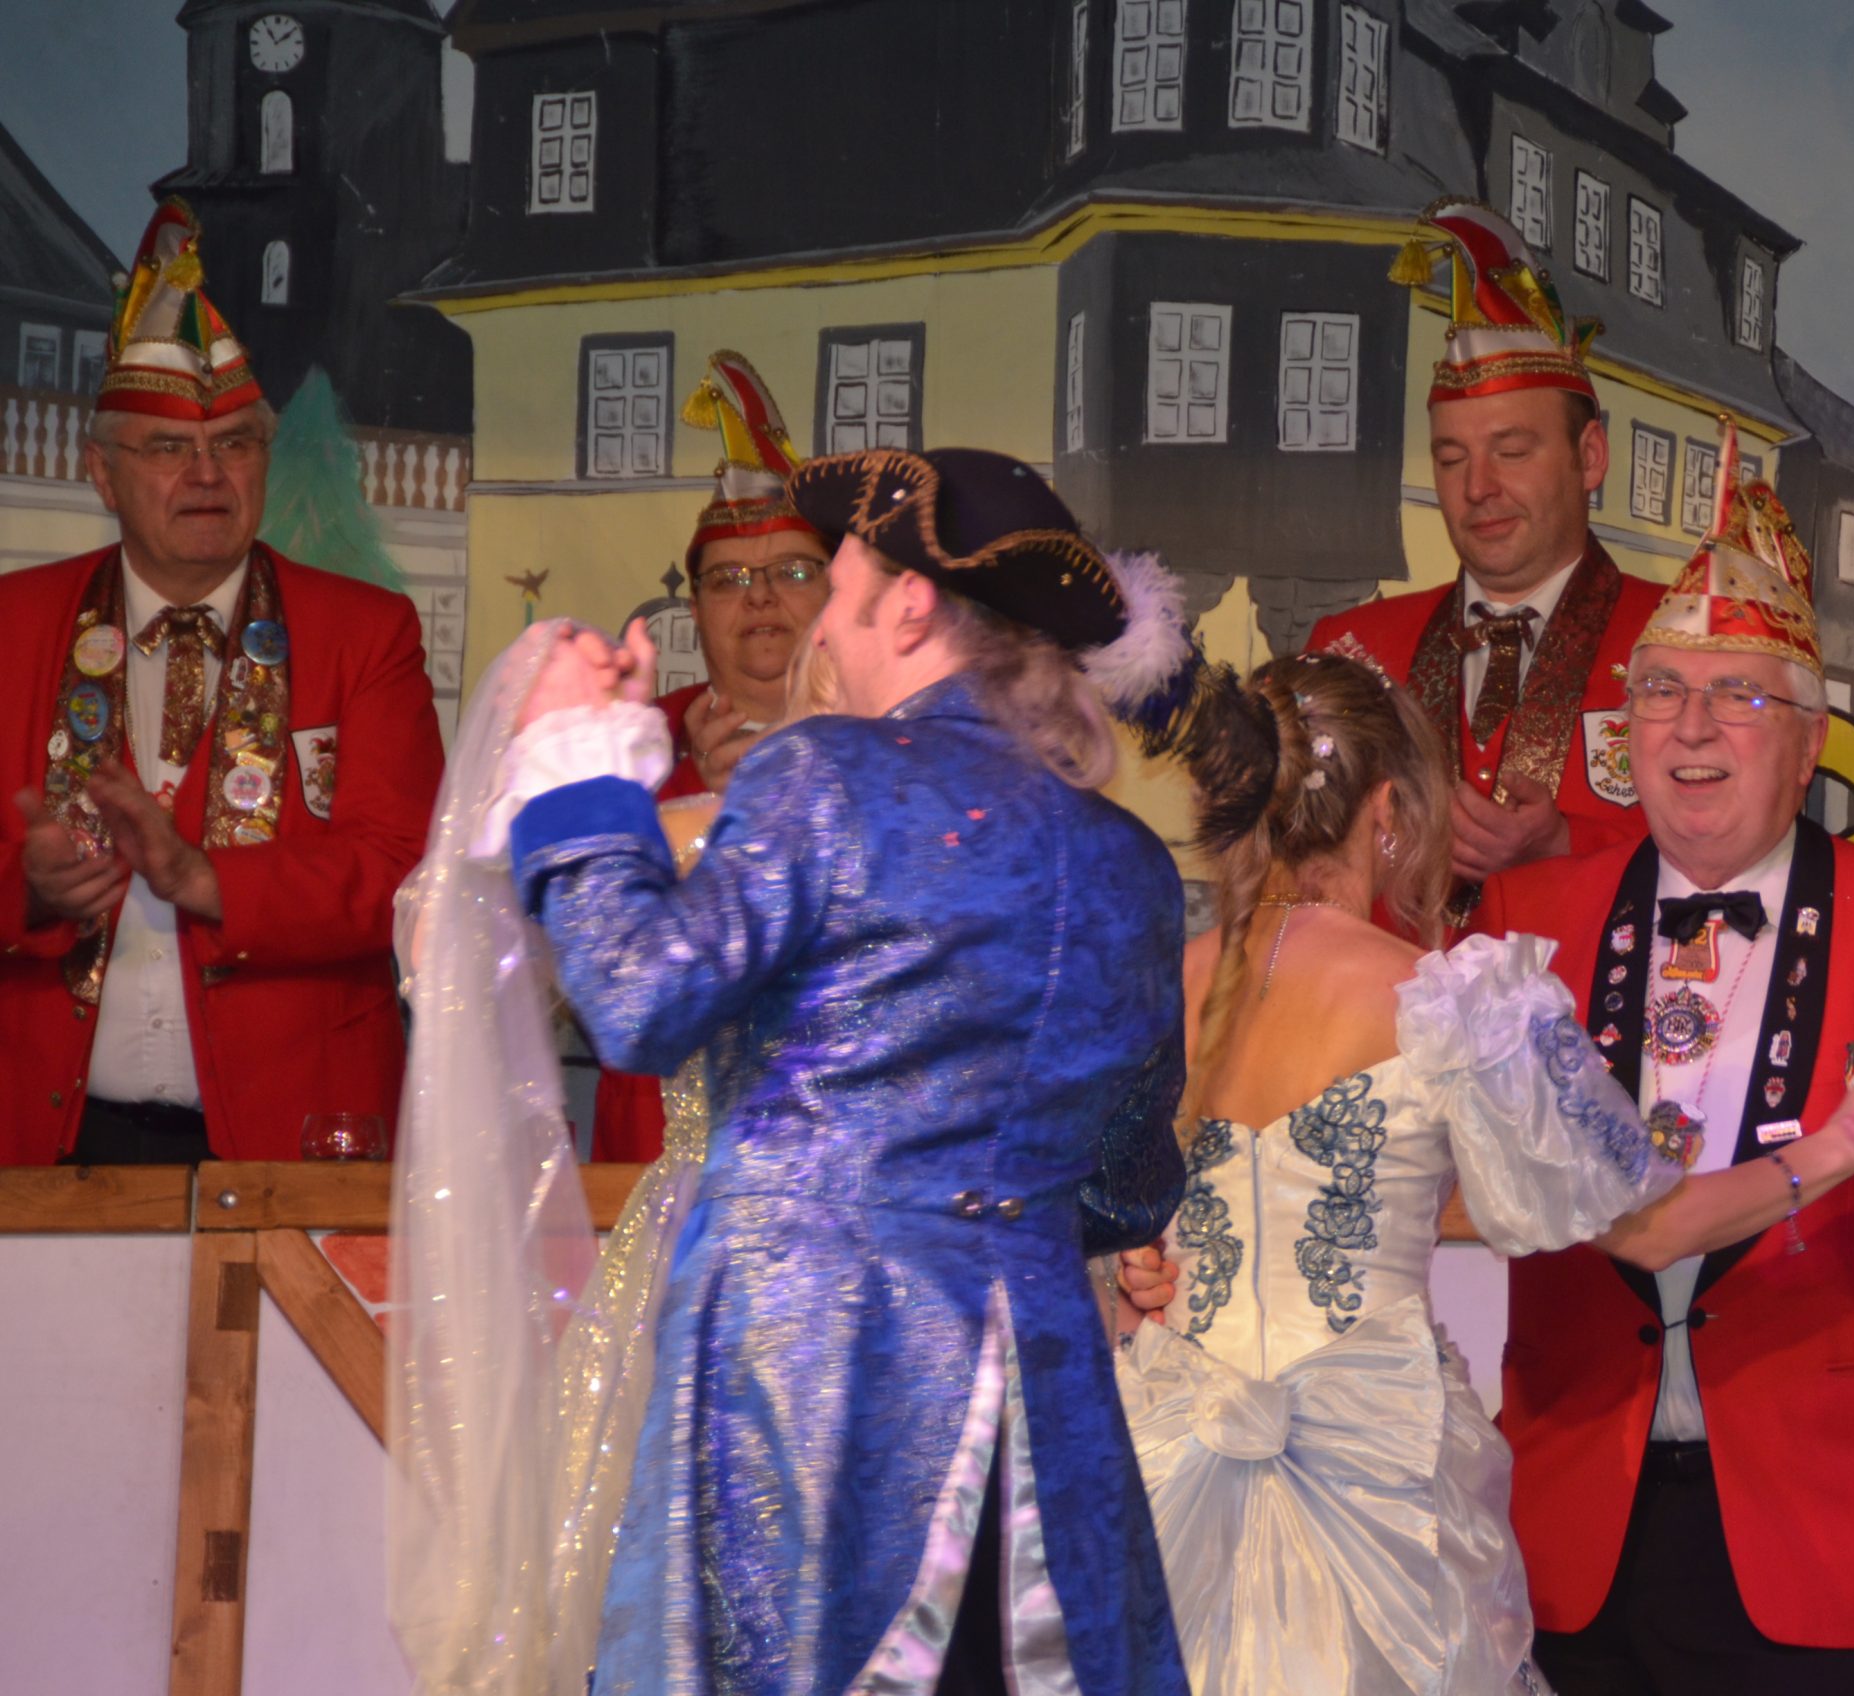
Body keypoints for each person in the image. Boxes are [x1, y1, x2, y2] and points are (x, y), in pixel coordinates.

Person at [420, 446, 1202, 1694]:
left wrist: (577, 764)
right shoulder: (1130, 862)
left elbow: (637, 999)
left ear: (910, 605)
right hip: (1037, 1397)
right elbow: (1128, 1181)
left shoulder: (825, 771)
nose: (820, 628)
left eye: (836, 591)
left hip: (813, 1375)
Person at [1109, 646, 1854, 1695]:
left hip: (1172, 1460)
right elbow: (1647, 1223)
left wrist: (1146, 1266)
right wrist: (1839, 1146)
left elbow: (1111, 1217)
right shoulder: (1453, 997)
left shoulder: (1165, 985)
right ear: (1389, 809)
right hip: (1372, 1482)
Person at [1476, 468, 1854, 1696]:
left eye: (1737, 695)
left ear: (1811, 737)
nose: (1691, 726)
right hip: (1567, 1507)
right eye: (1661, 690)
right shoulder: (1524, 920)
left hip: (1804, 1521)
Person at [0, 198, 441, 1164]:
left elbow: (404, 873)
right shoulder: (12, 626)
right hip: (46, 1141)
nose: (207, 474)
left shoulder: (366, 633)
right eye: (168, 449)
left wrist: (204, 878)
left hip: (295, 1139)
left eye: (235, 444)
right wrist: (27, 892)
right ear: (102, 474)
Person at [1306, 198, 1665, 903]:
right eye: (1450, 459)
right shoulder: (1350, 652)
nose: (1478, 488)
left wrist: (1565, 847)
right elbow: (1295, 879)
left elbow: (1751, 863)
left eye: (1512, 451)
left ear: (1591, 457)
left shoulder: (1688, 647)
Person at [588, 348, 830, 1163]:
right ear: (693, 610)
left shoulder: (896, 748)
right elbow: (582, 960)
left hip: (838, 1148)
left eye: (792, 571)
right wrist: (693, 813)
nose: (760, 596)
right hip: (659, 1148)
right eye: (728, 580)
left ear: (840, 593)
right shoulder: (626, 750)